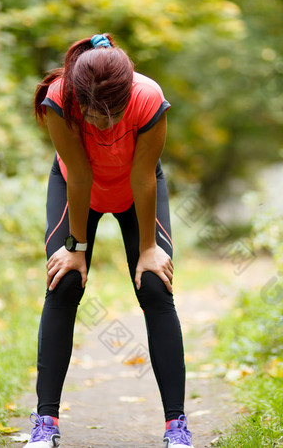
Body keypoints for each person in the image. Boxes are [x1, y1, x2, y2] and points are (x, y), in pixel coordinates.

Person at [25, 33, 193, 448]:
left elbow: (142, 175)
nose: (104, 124)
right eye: (93, 116)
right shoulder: (58, 98)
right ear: (77, 98)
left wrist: (150, 249)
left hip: (136, 187)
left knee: (156, 286)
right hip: (75, 187)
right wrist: (76, 250)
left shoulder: (148, 97)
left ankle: (177, 427)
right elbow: (80, 175)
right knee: (63, 283)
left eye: (112, 115)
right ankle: (46, 423)